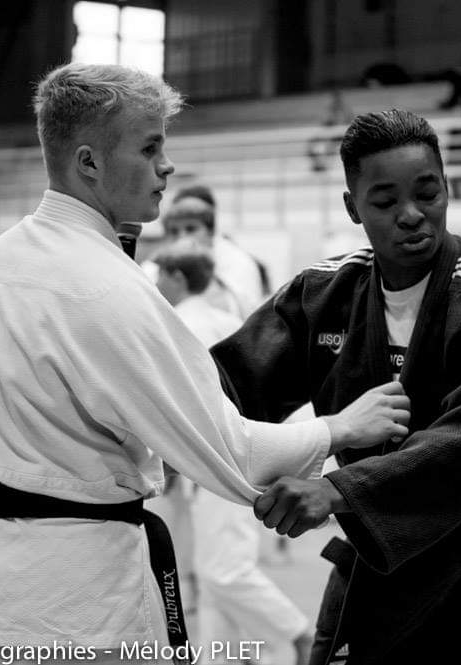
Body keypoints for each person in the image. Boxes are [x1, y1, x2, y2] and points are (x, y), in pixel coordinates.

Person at [0, 63, 410, 664]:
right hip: (69, 602)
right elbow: (229, 452)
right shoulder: (105, 286)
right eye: (150, 148)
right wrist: (341, 427)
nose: (166, 166)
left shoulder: (2, 259)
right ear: (89, 162)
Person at [211, 109, 461, 664]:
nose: (413, 215)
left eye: (429, 192)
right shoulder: (324, 293)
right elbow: (227, 385)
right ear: (352, 207)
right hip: (374, 561)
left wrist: (339, 492)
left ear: (448, 187)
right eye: (386, 201)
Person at [153, 239, 314, 665]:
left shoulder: (178, 324)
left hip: (218, 459)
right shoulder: (229, 320)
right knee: (212, 575)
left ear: (176, 277)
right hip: (232, 455)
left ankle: (297, 633)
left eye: (160, 275)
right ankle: (226, 658)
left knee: (224, 571)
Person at [157, 185, 270, 319]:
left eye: (191, 229)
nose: (182, 237)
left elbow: (248, 316)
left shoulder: (238, 262)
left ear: (210, 232)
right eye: (174, 231)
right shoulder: (155, 266)